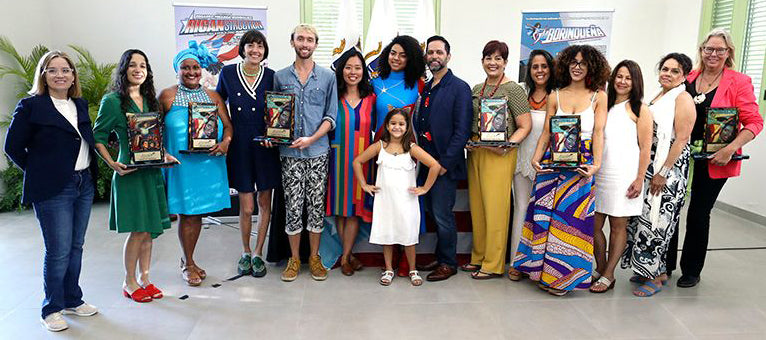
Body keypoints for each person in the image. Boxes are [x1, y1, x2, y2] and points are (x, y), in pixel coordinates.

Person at [4, 51, 99, 331]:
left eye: (66, 70)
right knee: (57, 250)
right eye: (53, 70)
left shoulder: (79, 104)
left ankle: (72, 298)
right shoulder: (31, 106)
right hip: (53, 188)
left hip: (84, 183)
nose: (61, 75)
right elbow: (12, 147)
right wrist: (39, 172)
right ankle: (52, 308)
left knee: (76, 246)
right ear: (43, 75)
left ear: (73, 76)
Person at [512, 45, 609, 296]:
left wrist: (596, 164)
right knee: (545, 218)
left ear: (591, 66)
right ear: (566, 65)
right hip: (551, 162)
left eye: (583, 63)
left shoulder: (599, 95)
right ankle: (540, 272)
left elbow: (598, 132)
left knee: (572, 222)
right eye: (573, 62)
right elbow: (546, 131)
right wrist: (535, 158)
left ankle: (563, 279)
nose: (577, 67)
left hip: (581, 166)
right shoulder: (555, 94)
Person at [670, 29, 763, 288]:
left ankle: (691, 269)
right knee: (671, 209)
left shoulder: (739, 81)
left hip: (716, 158)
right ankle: (663, 265)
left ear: (728, 53)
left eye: (720, 50)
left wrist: (730, 148)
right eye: (708, 49)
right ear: (701, 50)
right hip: (680, 153)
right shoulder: (687, 78)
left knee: (699, 213)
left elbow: (754, 122)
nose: (713, 54)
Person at [93, 49, 177, 302]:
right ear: (124, 69)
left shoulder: (151, 101)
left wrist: (165, 155)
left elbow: (153, 139)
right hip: (129, 173)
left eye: (143, 65)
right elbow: (98, 137)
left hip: (151, 172)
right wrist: (112, 163)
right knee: (138, 230)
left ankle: (145, 279)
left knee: (150, 230)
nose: (138, 69)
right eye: (132, 65)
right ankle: (129, 281)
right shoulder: (112, 102)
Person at [622, 53, 696, 297]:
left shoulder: (683, 98)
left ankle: (654, 277)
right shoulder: (660, 95)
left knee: (658, 222)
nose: (668, 74)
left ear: (684, 75)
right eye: (665, 69)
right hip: (651, 165)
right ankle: (655, 269)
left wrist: (663, 172)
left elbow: (682, 139)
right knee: (644, 218)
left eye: (675, 71)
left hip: (668, 170)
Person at [160, 40, 233, 286]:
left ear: (202, 69)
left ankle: (188, 259)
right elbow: (152, 129)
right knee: (187, 215)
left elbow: (229, 126)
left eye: (196, 67)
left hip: (208, 164)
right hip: (181, 166)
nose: (191, 72)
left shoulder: (213, 96)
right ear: (177, 70)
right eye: (186, 68)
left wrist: (225, 142)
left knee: (197, 215)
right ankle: (188, 263)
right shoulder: (166, 96)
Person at [271, 24, 338, 282]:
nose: (305, 43)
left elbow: (331, 117)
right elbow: (275, 116)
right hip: (289, 155)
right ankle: (295, 258)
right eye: (301, 39)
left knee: (316, 206)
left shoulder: (327, 77)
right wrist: (274, 136)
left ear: (315, 45)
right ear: (292, 43)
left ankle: (314, 257)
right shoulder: (280, 77)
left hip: (319, 152)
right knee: (293, 207)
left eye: (310, 40)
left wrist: (311, 138)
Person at [463, 40, 531, 279]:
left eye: (498, 58)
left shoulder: (513, 89)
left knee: (496, 207)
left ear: (505, 62)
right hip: (476, 150)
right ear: (482, 61)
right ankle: (479, 256)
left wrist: (508, 145)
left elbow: (525, 125)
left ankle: (492, 263)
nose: (493, 63)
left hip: (500, 154)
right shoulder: (477, 87)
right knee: (478, 206)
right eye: (488, 58)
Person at [216, 30, 280, 278]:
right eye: (251, 45)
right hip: (240, 145)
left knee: (265, 203)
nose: (255, 50)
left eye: (260, 46)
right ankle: (244, 251)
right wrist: (225, 135)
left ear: (265, 51)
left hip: (265, 146)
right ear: (242, 48)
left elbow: (280, 111)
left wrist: (275, 135)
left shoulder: (272, 76)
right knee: (246, 205)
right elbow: (217, 104)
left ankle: (257, 253)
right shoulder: (228, 73)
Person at [352, 108, 441, 286]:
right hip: (385, 200)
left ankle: (413, 269)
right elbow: (357, 161)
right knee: (388, 234)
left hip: (406, 202)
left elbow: (434, 166)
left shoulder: (411, 148)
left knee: (408, 236)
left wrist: (424, 188)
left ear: (407, 126)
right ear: (387, 125)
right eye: (393, 123)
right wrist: (364, 184)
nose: (397, 127)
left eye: (401, 124)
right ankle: (388, 269)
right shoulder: (380, 146)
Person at [590, 60, 653, 293]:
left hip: (624, 174)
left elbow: (645, 148)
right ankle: (601, 267)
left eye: (628, 78)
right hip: (600, 172)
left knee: (618, 226)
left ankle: (608, 274)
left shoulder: (640, 109)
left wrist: (639, 179)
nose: (622, 81)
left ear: (635, 82)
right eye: (619, 76)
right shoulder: (602, 105)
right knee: (594, 225)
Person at [414, 35, 473, 282]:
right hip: (425, 163)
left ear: (448, 56)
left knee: (443, 214)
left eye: (439, 52)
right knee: (432, 212)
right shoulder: (427, 86)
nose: (434, 56)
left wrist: (444, 165)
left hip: (444, 165)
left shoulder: (459, 88)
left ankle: (449, 262)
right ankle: (441, 256)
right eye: (431, 53)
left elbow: (462, 131)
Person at [325, 48, 376, 276]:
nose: (353, 72)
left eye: (357, 68)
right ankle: (347, 255)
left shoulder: (371, 98)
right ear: (341, 70)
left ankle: (345, 256)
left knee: (355, 210)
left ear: (364, 71)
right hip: (337, 159)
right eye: (348, 67)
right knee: (340, 209)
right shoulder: (332, 96)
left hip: (362, 160)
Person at [509, 49, 555, 281]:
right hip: (521, 160)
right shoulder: (521, 92)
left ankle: (540, 265)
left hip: (549, 163)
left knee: (544, 214)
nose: (539, 71)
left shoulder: (558, 95)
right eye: (535, 67)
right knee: (521, 209)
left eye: (544, 66)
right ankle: (516, 261)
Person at [371, 35, 425, 131]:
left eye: (403, 55)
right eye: (393, 53)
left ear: (411, 59)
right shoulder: (374, 82)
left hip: (407, 144)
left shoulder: (419, 85)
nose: (396, 58)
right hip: (379, 143)